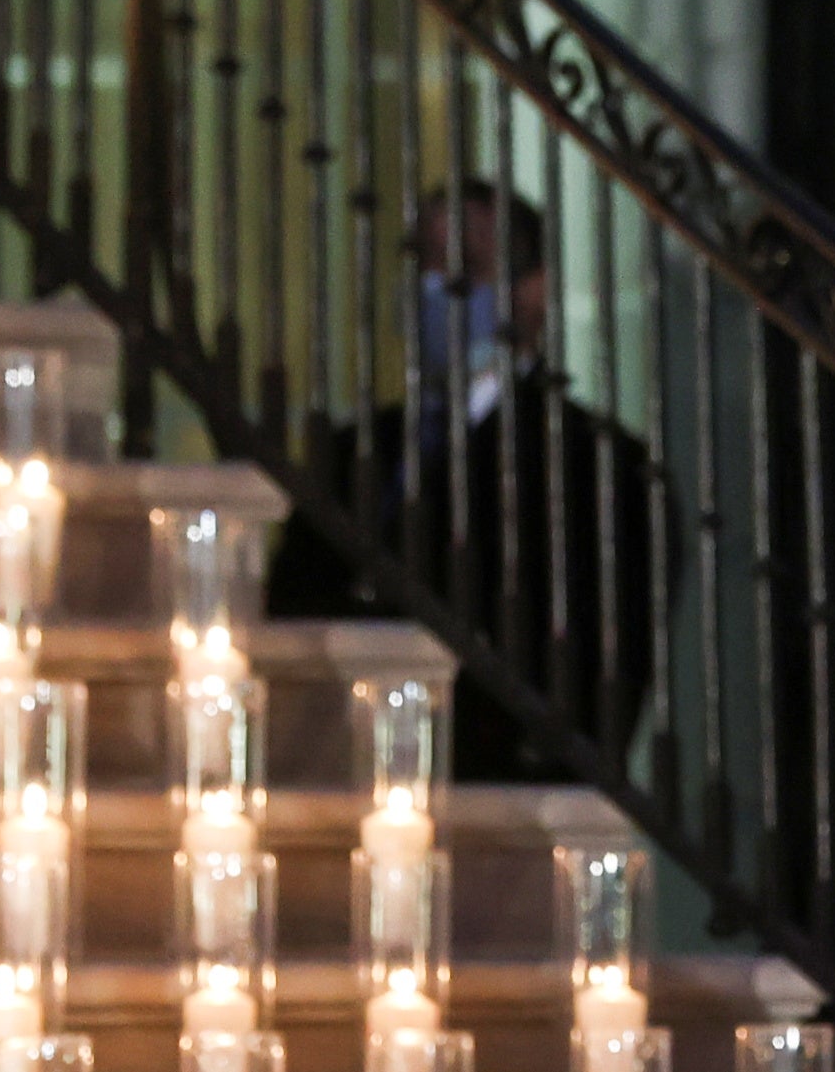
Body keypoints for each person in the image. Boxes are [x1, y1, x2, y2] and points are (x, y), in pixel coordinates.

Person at [268, 183, 658, 779]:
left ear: (533, 290)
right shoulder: (353, 449)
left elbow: (597, 666)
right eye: (422, 262)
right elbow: (292, 610)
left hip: (490, 786)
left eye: (465, 269)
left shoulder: (597, 464)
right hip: (337, 770)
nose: (434, 287)